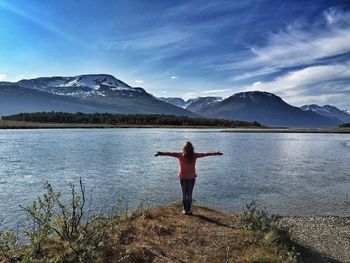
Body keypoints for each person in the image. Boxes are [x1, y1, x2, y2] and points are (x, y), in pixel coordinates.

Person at [155, 141, 223, 215]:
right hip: (191, 177)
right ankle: (188, 210)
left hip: (183, 177)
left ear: (184, 148)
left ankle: (185, 210)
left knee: (184, 194)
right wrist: (216, 153)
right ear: (191, 148)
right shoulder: (194, 155)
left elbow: (169, 153)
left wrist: (160, 153)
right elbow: (205, 154)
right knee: (189, 195)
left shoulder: (180, 155)